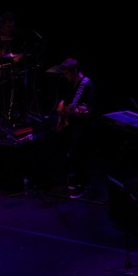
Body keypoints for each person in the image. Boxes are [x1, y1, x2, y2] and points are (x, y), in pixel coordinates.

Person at [52, 58, 98, 198]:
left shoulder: (87, 85)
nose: (65, 76)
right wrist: (62, 103)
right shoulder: (72, 83)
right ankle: (75, 179)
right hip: (72, 123)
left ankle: (83, 185)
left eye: (67, 73)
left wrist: (80, 112)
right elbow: (67, 99)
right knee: (67, 152)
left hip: (83, 125)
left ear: (75, 71)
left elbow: (91, 108)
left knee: (78, 154)